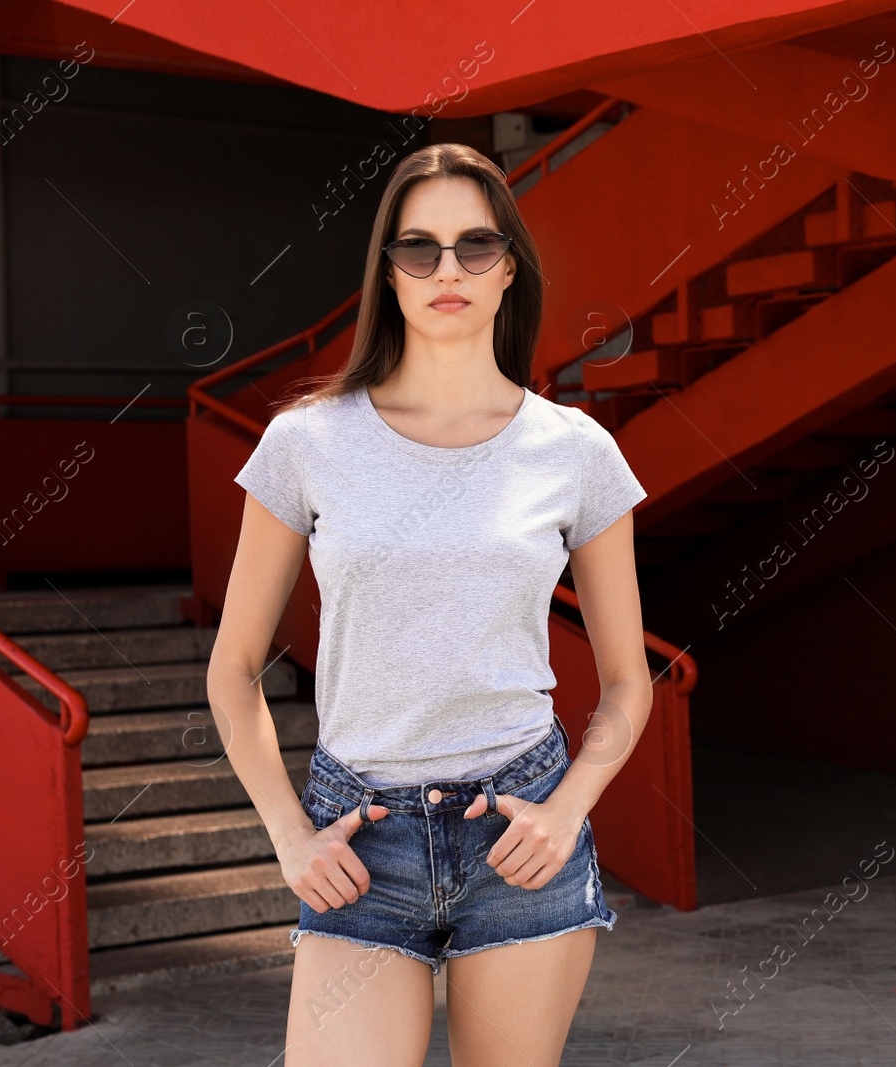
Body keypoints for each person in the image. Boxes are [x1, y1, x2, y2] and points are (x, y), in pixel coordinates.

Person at [206, 143, 652, 1066]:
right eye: (419, 248)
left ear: (508, 270)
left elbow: (625, 682)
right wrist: (290, 834)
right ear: (388, 272)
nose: (447, 269)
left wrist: (568, 810)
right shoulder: (308, 442)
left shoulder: (574, 450)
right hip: (359, 843)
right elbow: (235, 668)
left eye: (473, 246)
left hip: (520, 831)